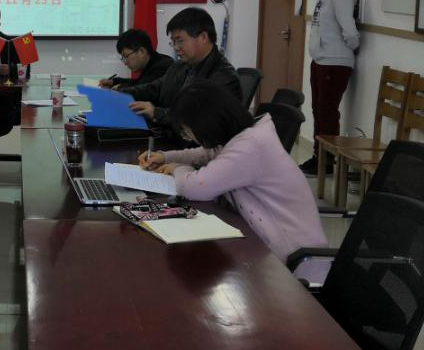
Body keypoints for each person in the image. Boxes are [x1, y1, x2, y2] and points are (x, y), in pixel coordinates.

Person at [138, 81, 326, 259]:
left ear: (206, 125)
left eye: (188, 131)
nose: (189, 138)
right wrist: (165, 157)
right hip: (264, 240)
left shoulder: (251, 146)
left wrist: (176, 168)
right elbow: (207, 153)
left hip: (290, 257)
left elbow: (194, 187)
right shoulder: (244, 134)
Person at [127, 7, 242, 141]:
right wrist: (118, 94)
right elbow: (153, 89)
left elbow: (200, 120)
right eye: (173, 42)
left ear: (203, 37)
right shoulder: (179, 66)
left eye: (180, 41)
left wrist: (157, 113)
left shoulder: (225, 77)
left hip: (194, 148)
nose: (176, 47)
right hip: (166, 136)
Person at [300, 0, 360, 175]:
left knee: (327, 111)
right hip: (320, 60)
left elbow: (350, 32)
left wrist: (349, 48)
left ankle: (326, 161)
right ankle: (319, 156)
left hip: (335, 62)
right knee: (318, 109)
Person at [98, 28, 174, 91]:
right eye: (123, 58)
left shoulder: (162, 66)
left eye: (126, 56)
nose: (125, 62)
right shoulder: (151, 62)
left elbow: (143, 89)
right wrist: (113, 82)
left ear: (142, 51)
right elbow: (138, 82)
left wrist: (120, 88)